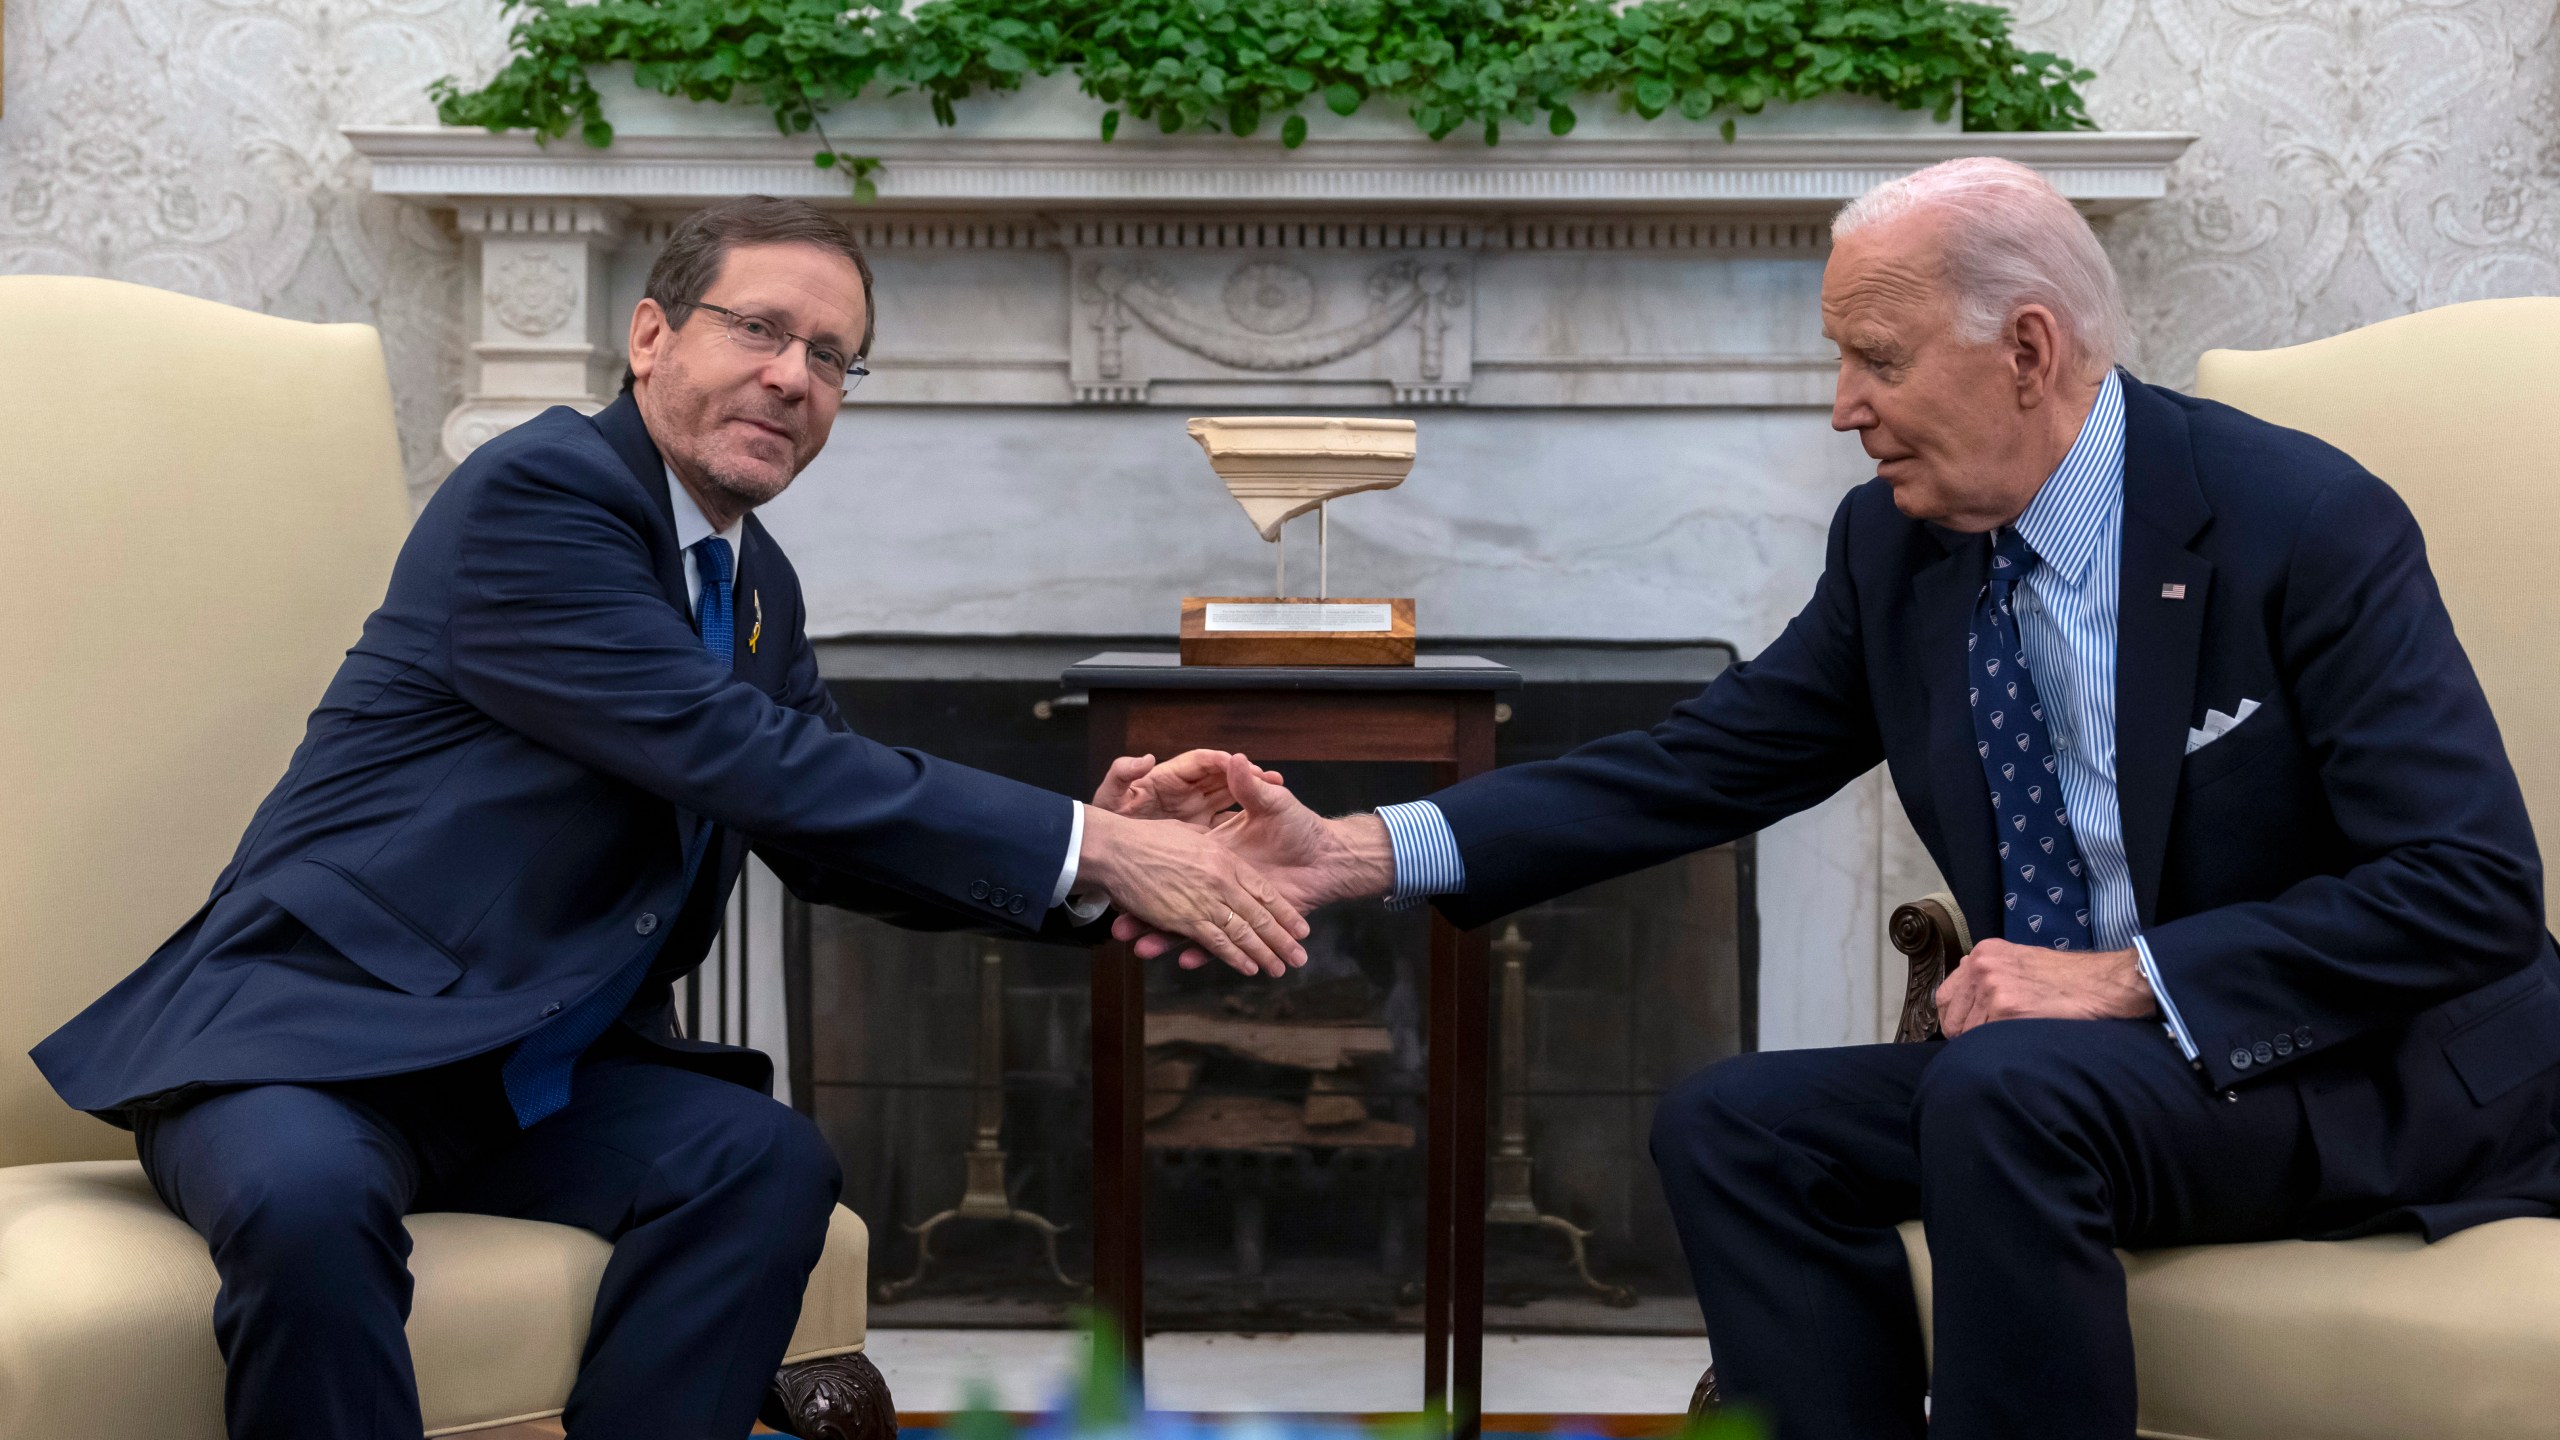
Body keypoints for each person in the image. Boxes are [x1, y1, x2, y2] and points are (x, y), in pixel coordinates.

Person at [1133, 158, 2560, 1439]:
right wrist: (1348, 850)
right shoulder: (1900, 547)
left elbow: (2470, 887)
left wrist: (2122, 979)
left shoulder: (2299, 520)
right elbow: (1698, 763)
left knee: (2006, 1089)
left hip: (2366, 1074)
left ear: (2026, 350)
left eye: (1877, 358)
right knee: (1731, 1125)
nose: (1843, 407)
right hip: (2084, 1084)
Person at [33, 196, 1300, 1440]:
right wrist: (1099, 843)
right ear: (650, 336)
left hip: (521, 1080)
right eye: (758, 329)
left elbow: (822, 823)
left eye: (831, 358)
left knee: (763, 1163)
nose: (792, 377)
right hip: (309, 1043)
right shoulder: (540, 492)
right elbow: (726, 748)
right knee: (306, 1203)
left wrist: (1090, 856)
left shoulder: (753, 585)